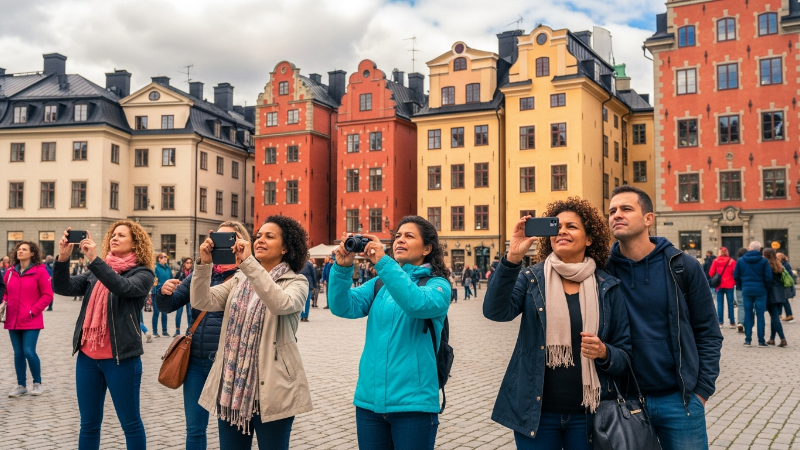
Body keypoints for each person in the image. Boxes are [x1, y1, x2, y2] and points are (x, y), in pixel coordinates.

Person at [483, 198, 631, 449]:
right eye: (556, 227)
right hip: (537, 415)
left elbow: (625, 355)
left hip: (590, 416)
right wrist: (513, 258)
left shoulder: (607, 287)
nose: (562, 231)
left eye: (571, 226)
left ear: (589, 239)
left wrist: (604, 352)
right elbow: (495, 312)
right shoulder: (531, 278)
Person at [606, 186, 722, 450]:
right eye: (612, 211)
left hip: (679, 401)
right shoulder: (602, 270)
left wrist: (701, 391)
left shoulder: (682, 266)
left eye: (626, 209)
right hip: (623, 400)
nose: (616, 215)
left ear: (649, 218)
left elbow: (708, 332)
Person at [328, 215, 451, 450]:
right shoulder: (380, 285)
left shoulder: (437, 285)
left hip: (413, 405)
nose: (400, 240)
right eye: (398, 236)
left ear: (427, 248)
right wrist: (342, 268)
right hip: (369, 402)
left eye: (409, 236)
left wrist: (384, 263)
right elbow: (342, 306)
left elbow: (415, 303)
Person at [191, 215, 312, 449]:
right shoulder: (240, 279)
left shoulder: (296, 282)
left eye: (270, 236)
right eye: (258, 236)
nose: (260, 240)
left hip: (274, 387)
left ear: (286, 248)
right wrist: (204, 264)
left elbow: (279, 303)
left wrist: (248, 263)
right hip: (233, 386)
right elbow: (202, 301)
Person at [52, 221, 155, 449]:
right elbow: (62, 287)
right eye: (113, 234)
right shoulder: (97, 271)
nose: (115, 238)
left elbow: (123, 287)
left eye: (122, 235)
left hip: (121, 359)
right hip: (88, 358)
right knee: (88, 424)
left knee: (130, 423)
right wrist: (63, 258)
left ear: (135, 244)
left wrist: (94, 260)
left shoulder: (143, 273)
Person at [156, 221, 249, 450]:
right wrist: (163, 293)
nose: (222, 244)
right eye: (218, 238)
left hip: (229, 364)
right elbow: (169, 305)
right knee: (195, 430)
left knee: (231, 429)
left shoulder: (247, 276)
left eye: (230, 239)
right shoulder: (201, 272)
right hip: (196, 362)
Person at [4, 241, 53, 397]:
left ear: (32, 253)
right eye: (19, 249)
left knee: (29, 352)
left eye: (24, 249)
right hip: (12, 318)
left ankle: (37, 383)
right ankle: (21, 385)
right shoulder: (10, 272)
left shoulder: (40, 271)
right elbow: (6, 292)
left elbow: (48, 295)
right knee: (18, 353)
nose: (20, 251)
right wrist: (4, 302)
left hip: (31, 319)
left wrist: (33, 311)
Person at [734, 241, 772, 347]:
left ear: (749, 248)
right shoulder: (763, 261)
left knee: (748, 314)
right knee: (760, 315)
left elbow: (736, 275)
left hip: (746, 289)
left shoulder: (741, 260)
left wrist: (741, 286)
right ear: (759, 249)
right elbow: (768, 277)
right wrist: (766, 288)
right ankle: (761, 340)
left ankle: (748, 339)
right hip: (760, 290)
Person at [763, 249, 788, 347]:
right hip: (780, 292)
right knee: (775, 316)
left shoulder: (767, 265)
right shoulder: (779, 264)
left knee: (774, 317)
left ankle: (783, 339)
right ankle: (772, 339)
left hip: (771, 293)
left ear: (766, 255)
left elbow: (768, 280)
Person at [709, 247, 736, 329]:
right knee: (730, 303)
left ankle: (720, 322)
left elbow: (711, 272)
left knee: (719, 304)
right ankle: (732, 322)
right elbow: (735, 273)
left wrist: (715, 278)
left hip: (719, 285)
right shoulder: (732, 261)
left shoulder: (716, 261)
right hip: (729, 284)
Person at [152, 253, 172, 337]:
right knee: (156, 312)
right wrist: (161, 287)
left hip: (166, 292)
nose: (165, 258)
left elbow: (171, 278)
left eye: (165, 257)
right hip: (156, 292)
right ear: (158, 259)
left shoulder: (168, 268)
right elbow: (155, 281)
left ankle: (164, 331)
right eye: (162, 257)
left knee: (165, 311)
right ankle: (155, 332)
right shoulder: (155, 268)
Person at [174, 257, 194, 335]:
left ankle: (190, 330)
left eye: (190, 263)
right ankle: (177, 331)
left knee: (190, 313)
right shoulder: (180, 273)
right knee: (179, 313)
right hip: (181, 295)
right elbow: (174, 281)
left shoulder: (193, 273)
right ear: (184, 264)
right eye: (187, 263)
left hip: (190, 295)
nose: (189, 264)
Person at [777, 253, 795, 322]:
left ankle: (788, 315)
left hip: (785, 284)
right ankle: (782, 314)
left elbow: (788, 274)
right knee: (783, 300)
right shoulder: (785, 263)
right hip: (785, 284)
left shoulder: (784, 264)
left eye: (777, 257)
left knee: (784, 300)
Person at [299, 256, 317, 323]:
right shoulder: (309, 264)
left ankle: (301, 316)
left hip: (299, 284)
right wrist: (315, 285)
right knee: (307, 301)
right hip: (308, 284)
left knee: (300, 301)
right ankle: (305, 316)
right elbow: (313, 275)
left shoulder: (298, 264)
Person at [734, 248, 748, 332]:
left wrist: (738, 285)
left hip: (740, 286)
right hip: (750, 286)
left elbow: (736, 275)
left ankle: (740, 322)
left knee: (741, 305)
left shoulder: (739, 261)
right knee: (750, 306)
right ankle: (748, 324)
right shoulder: (750, 261)